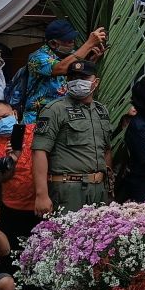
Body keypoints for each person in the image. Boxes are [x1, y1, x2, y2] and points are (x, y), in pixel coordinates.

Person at [31, 60, 112, 215]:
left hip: (99, 189)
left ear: (96, 82)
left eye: (84, 78)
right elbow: (39, 151)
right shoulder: (54, 109)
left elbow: (107, 150)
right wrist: (41, 194)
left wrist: (108, 188)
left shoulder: (101, 111)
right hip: (68, 189)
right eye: (73, 78)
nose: (78, 82)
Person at [13, 20, 106, 124]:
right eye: (68, 40)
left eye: (73, 39)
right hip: (37, 119)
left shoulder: (69, 55)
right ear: (53, 43)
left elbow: (76, 74)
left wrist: (91, 60)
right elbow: (61, 68)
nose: (72, 42)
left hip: (63, 116)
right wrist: (89, 44)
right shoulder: (37, 58)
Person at [0, 100, 38, 249]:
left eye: (4, 116)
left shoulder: (36, 132)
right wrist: (12, 159)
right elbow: (2, 179)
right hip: (14, 209)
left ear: (14, 113)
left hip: (42, 203)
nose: (2, 121)